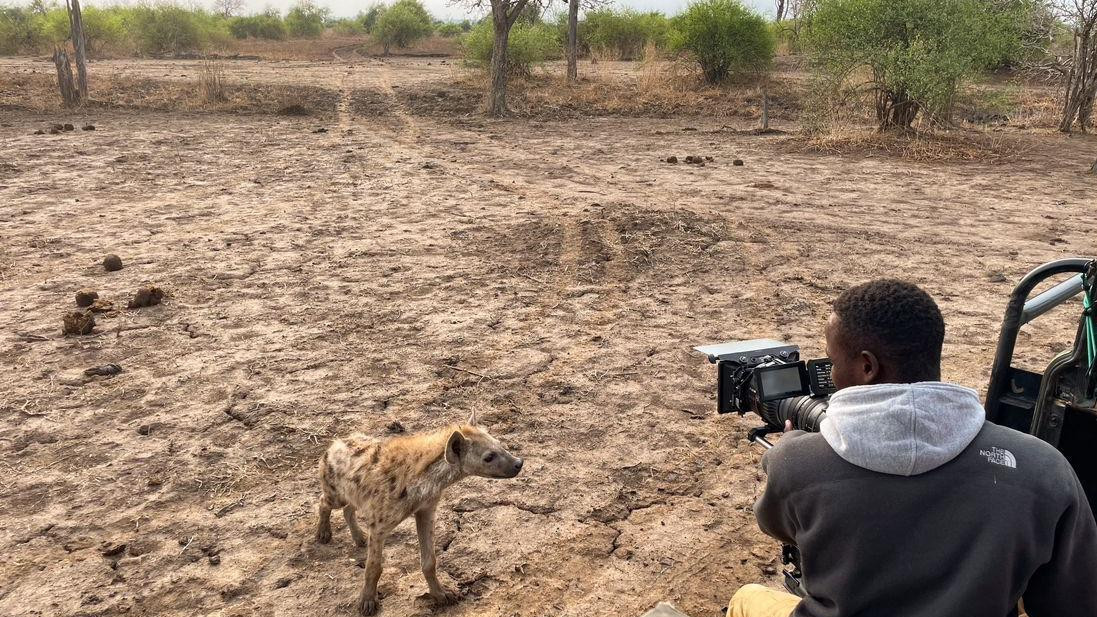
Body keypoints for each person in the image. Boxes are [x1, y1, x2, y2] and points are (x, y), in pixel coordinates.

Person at [728, 279, 1097, 617]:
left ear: (867, 366)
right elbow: (1072, 602)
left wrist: (792, 452)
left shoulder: (795, 462)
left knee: (748, 597)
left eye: (832, 361)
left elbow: (776, 526)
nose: (829, 375)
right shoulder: (1043, 468)